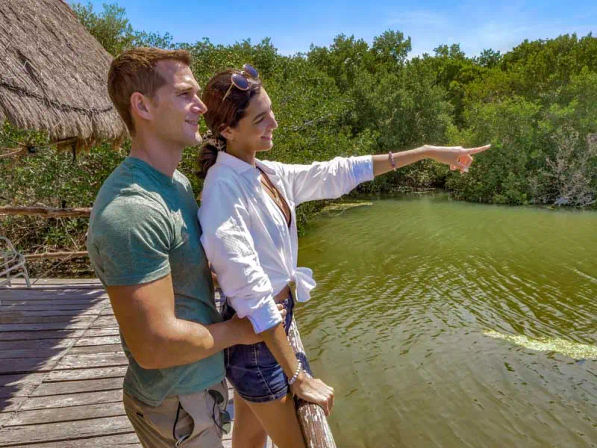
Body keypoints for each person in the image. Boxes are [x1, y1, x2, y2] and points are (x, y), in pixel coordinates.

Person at [197, 64, 490, 448]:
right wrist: (297, 375)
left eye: (270, 111)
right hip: (259, 349)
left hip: (266, 339)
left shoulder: (262, 171)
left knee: (249, 441)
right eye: (261, 118)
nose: (275, 122)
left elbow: (335, 173)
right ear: (227, 130)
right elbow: (250, 294)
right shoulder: (224, 189)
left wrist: (427, 152)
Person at [87, 48, 268, 448]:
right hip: (175, 404)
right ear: (143, 106)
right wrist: (242, 330)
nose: (202, 107)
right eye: (186, 94)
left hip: (197, 391)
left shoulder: (178, 185)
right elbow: (154, 346)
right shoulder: (131, 211)